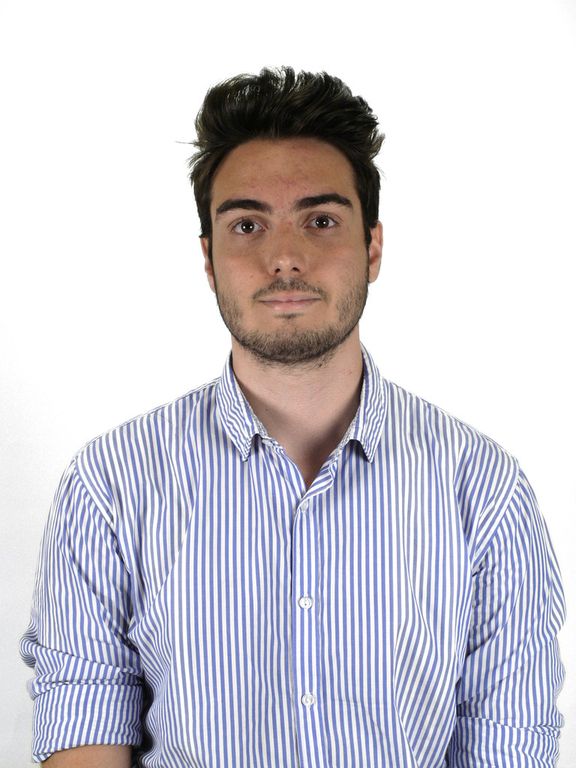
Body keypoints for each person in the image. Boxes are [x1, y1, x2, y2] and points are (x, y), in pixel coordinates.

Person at [20, 66, 565, 767]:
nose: (283, 258)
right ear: (209, 260)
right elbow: (83, 727)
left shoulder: (483, 490)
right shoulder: (111, 484)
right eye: (247, 225)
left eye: (321, 220)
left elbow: (509, 741)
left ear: (372, 247)